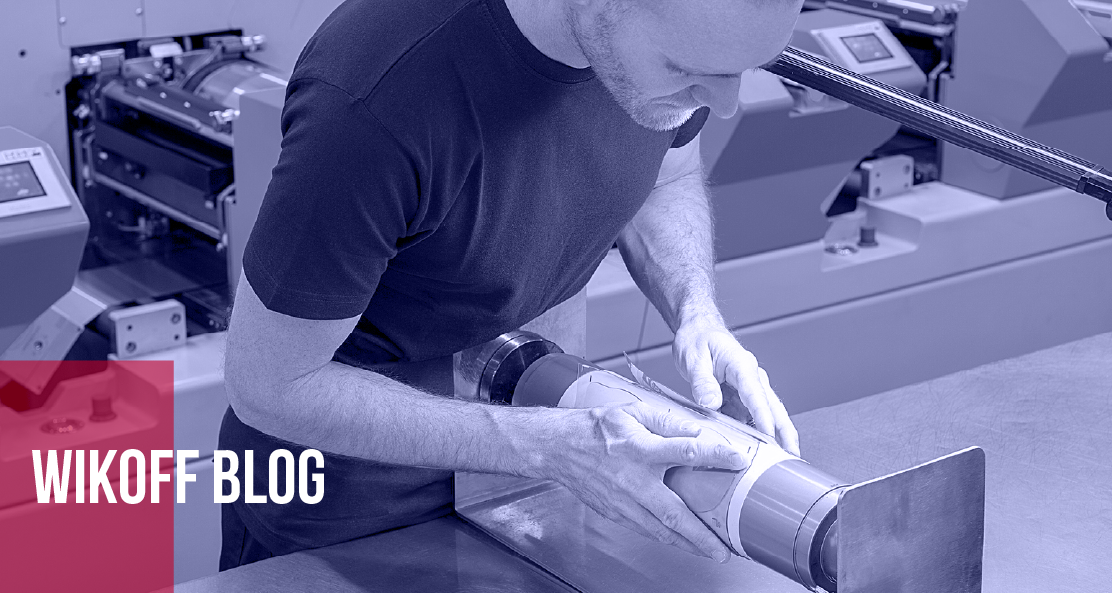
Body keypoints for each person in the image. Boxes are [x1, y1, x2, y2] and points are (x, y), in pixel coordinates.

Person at [220, 0, 806, 569]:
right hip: (342, 516)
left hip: (527, 475)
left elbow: (666, 174)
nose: (725, 105)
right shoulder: (379, 97)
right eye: (688, 70)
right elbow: (270, 384)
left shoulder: (677, 49)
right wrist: (549, 447)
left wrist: (695, 309)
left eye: (741, 73)